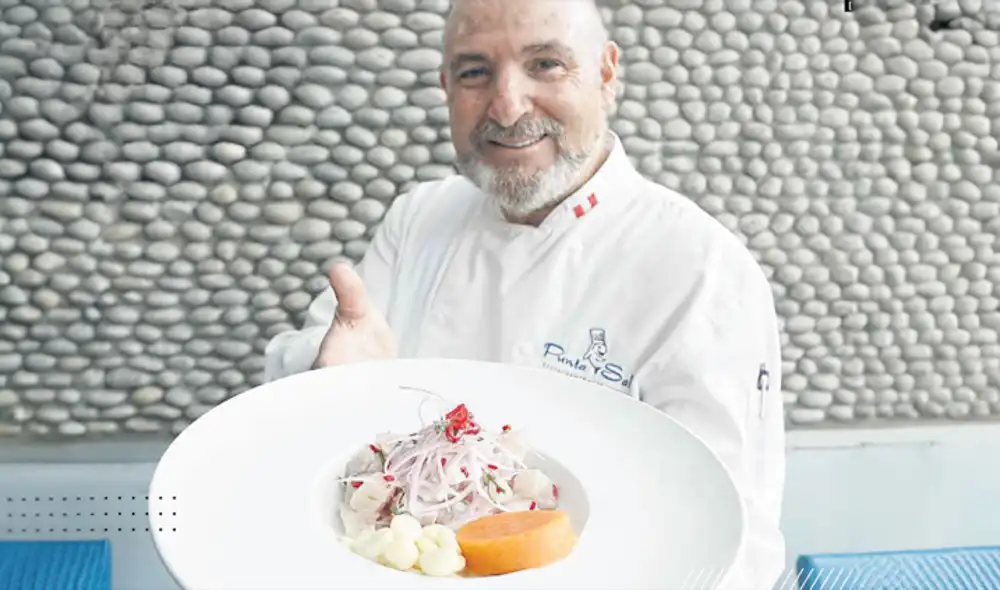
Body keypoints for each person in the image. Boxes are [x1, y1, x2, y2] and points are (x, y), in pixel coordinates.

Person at [264, 0, 786, 586]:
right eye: (474, 72)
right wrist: (326, 382)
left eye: (545, 64)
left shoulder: (698, 266)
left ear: (607, 74)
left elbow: (728, 529)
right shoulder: (418, 218)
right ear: (445, 87)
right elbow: (303, 387)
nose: (507, 106)